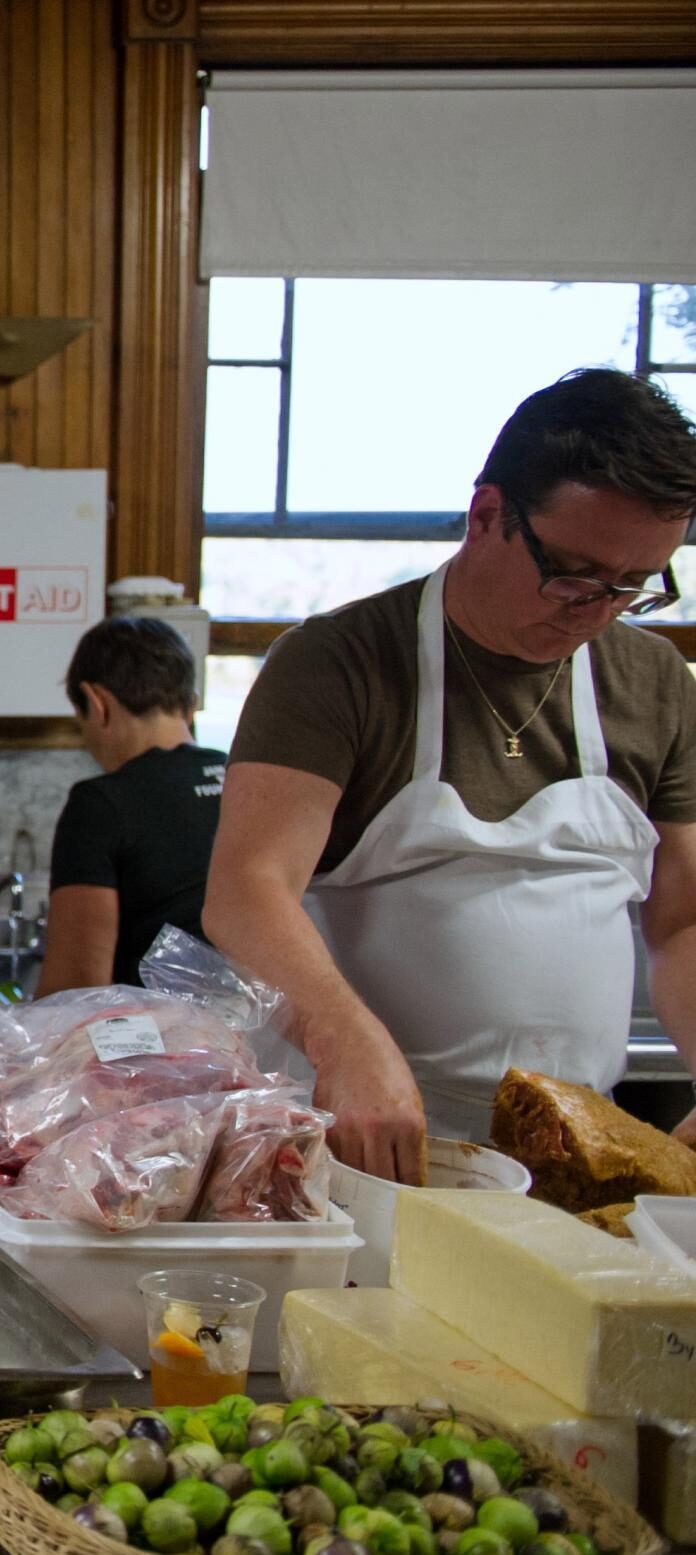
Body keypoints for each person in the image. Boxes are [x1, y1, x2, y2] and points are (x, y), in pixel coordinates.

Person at [207, 369, 696, 1182]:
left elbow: (681, 922)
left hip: (576, 1152)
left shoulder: (654, 684)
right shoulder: (339, 664)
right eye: (574, 576)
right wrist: (344, 1039)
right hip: (362, 1146)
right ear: (487, 514)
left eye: (632, 586)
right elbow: (247, 888)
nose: (595, 610)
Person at [35, 617, 224, 994]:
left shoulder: (101, 804)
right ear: (191, 702)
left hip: (162, 1047)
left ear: (96, 703)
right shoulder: (244, 778)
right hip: (264, 1040)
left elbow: (76, 988)